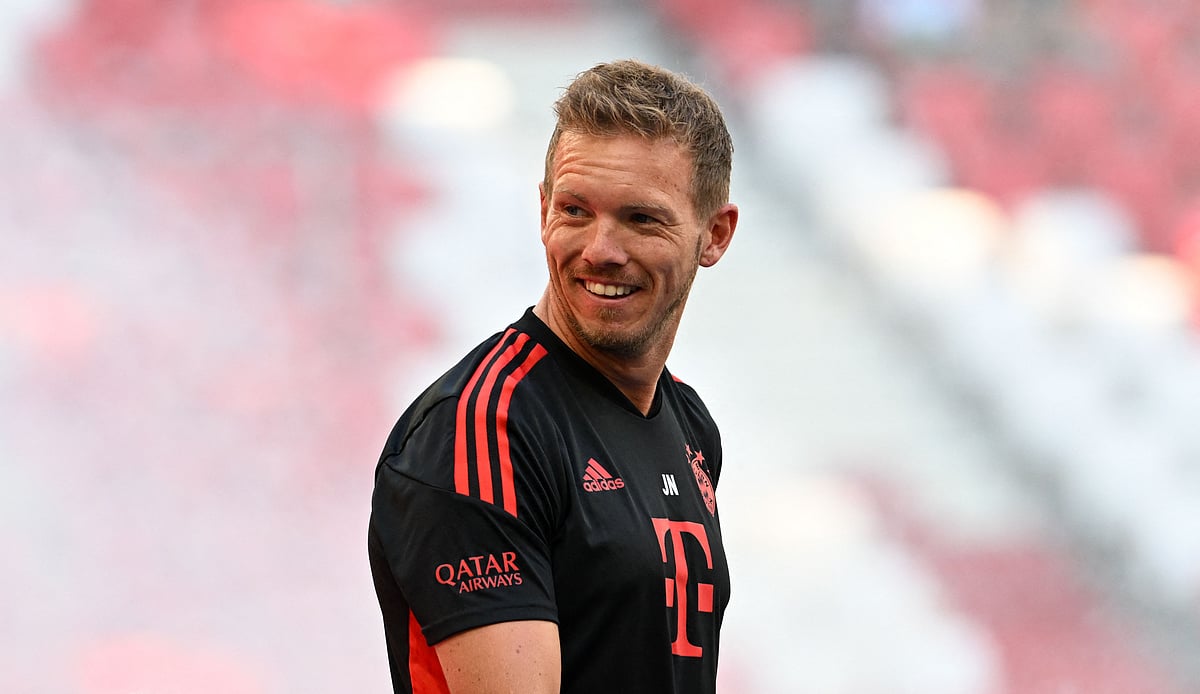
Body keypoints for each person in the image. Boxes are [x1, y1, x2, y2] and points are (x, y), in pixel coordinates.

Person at [368, 59, 739, 694]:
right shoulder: (482, 426)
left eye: (641, 219)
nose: (600, 248)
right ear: (543, 211)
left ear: (715, 234)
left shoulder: (689, 422)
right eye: (575, 210)